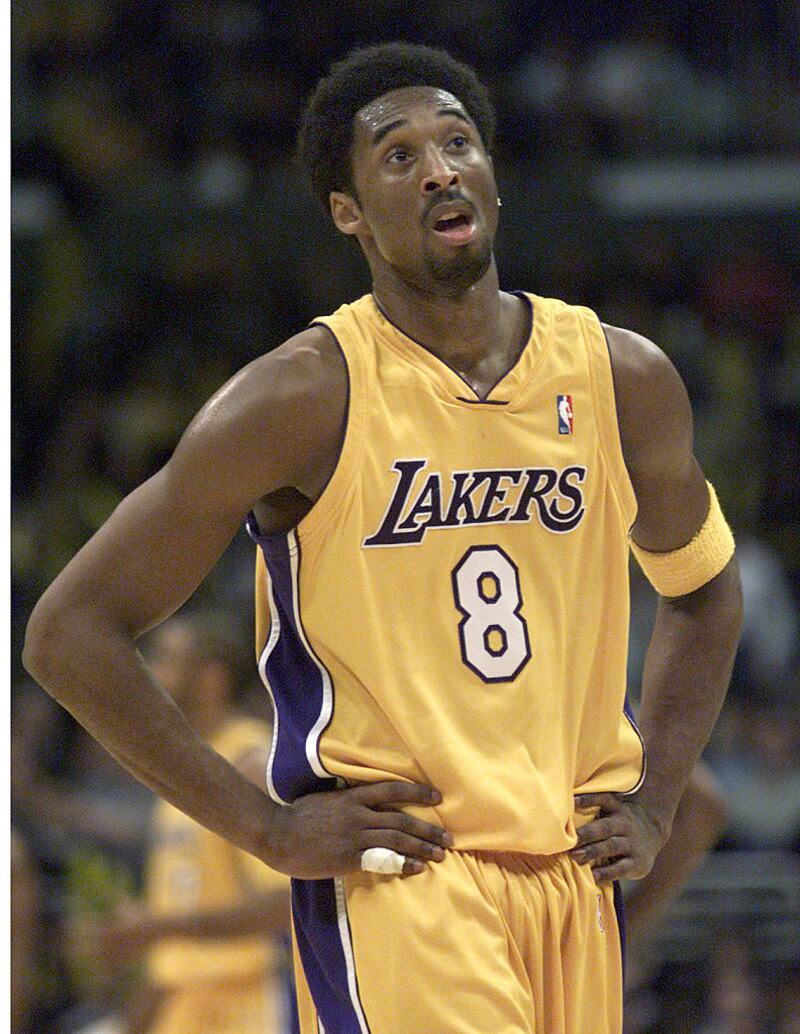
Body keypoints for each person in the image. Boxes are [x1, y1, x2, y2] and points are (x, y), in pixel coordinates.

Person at [24, 42, 743, 1034]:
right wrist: (267, 829)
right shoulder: (300, 396)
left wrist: (656, 800)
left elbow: (702, 589)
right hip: (404, 882)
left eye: (457, 142)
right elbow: (68, 632)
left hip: (572, 880)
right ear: (347, 212)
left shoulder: (623, 378)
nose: (440, 168)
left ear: (491, 174)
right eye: (398, 156)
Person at [67, 614, 296, 1034]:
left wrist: (156, 927)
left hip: (241, 1007)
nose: (151, 675)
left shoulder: (249, 759)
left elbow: (284, 906)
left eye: (166, 660)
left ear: (211, 679)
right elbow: (176, 953)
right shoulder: (186, 767)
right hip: (181, 1005)